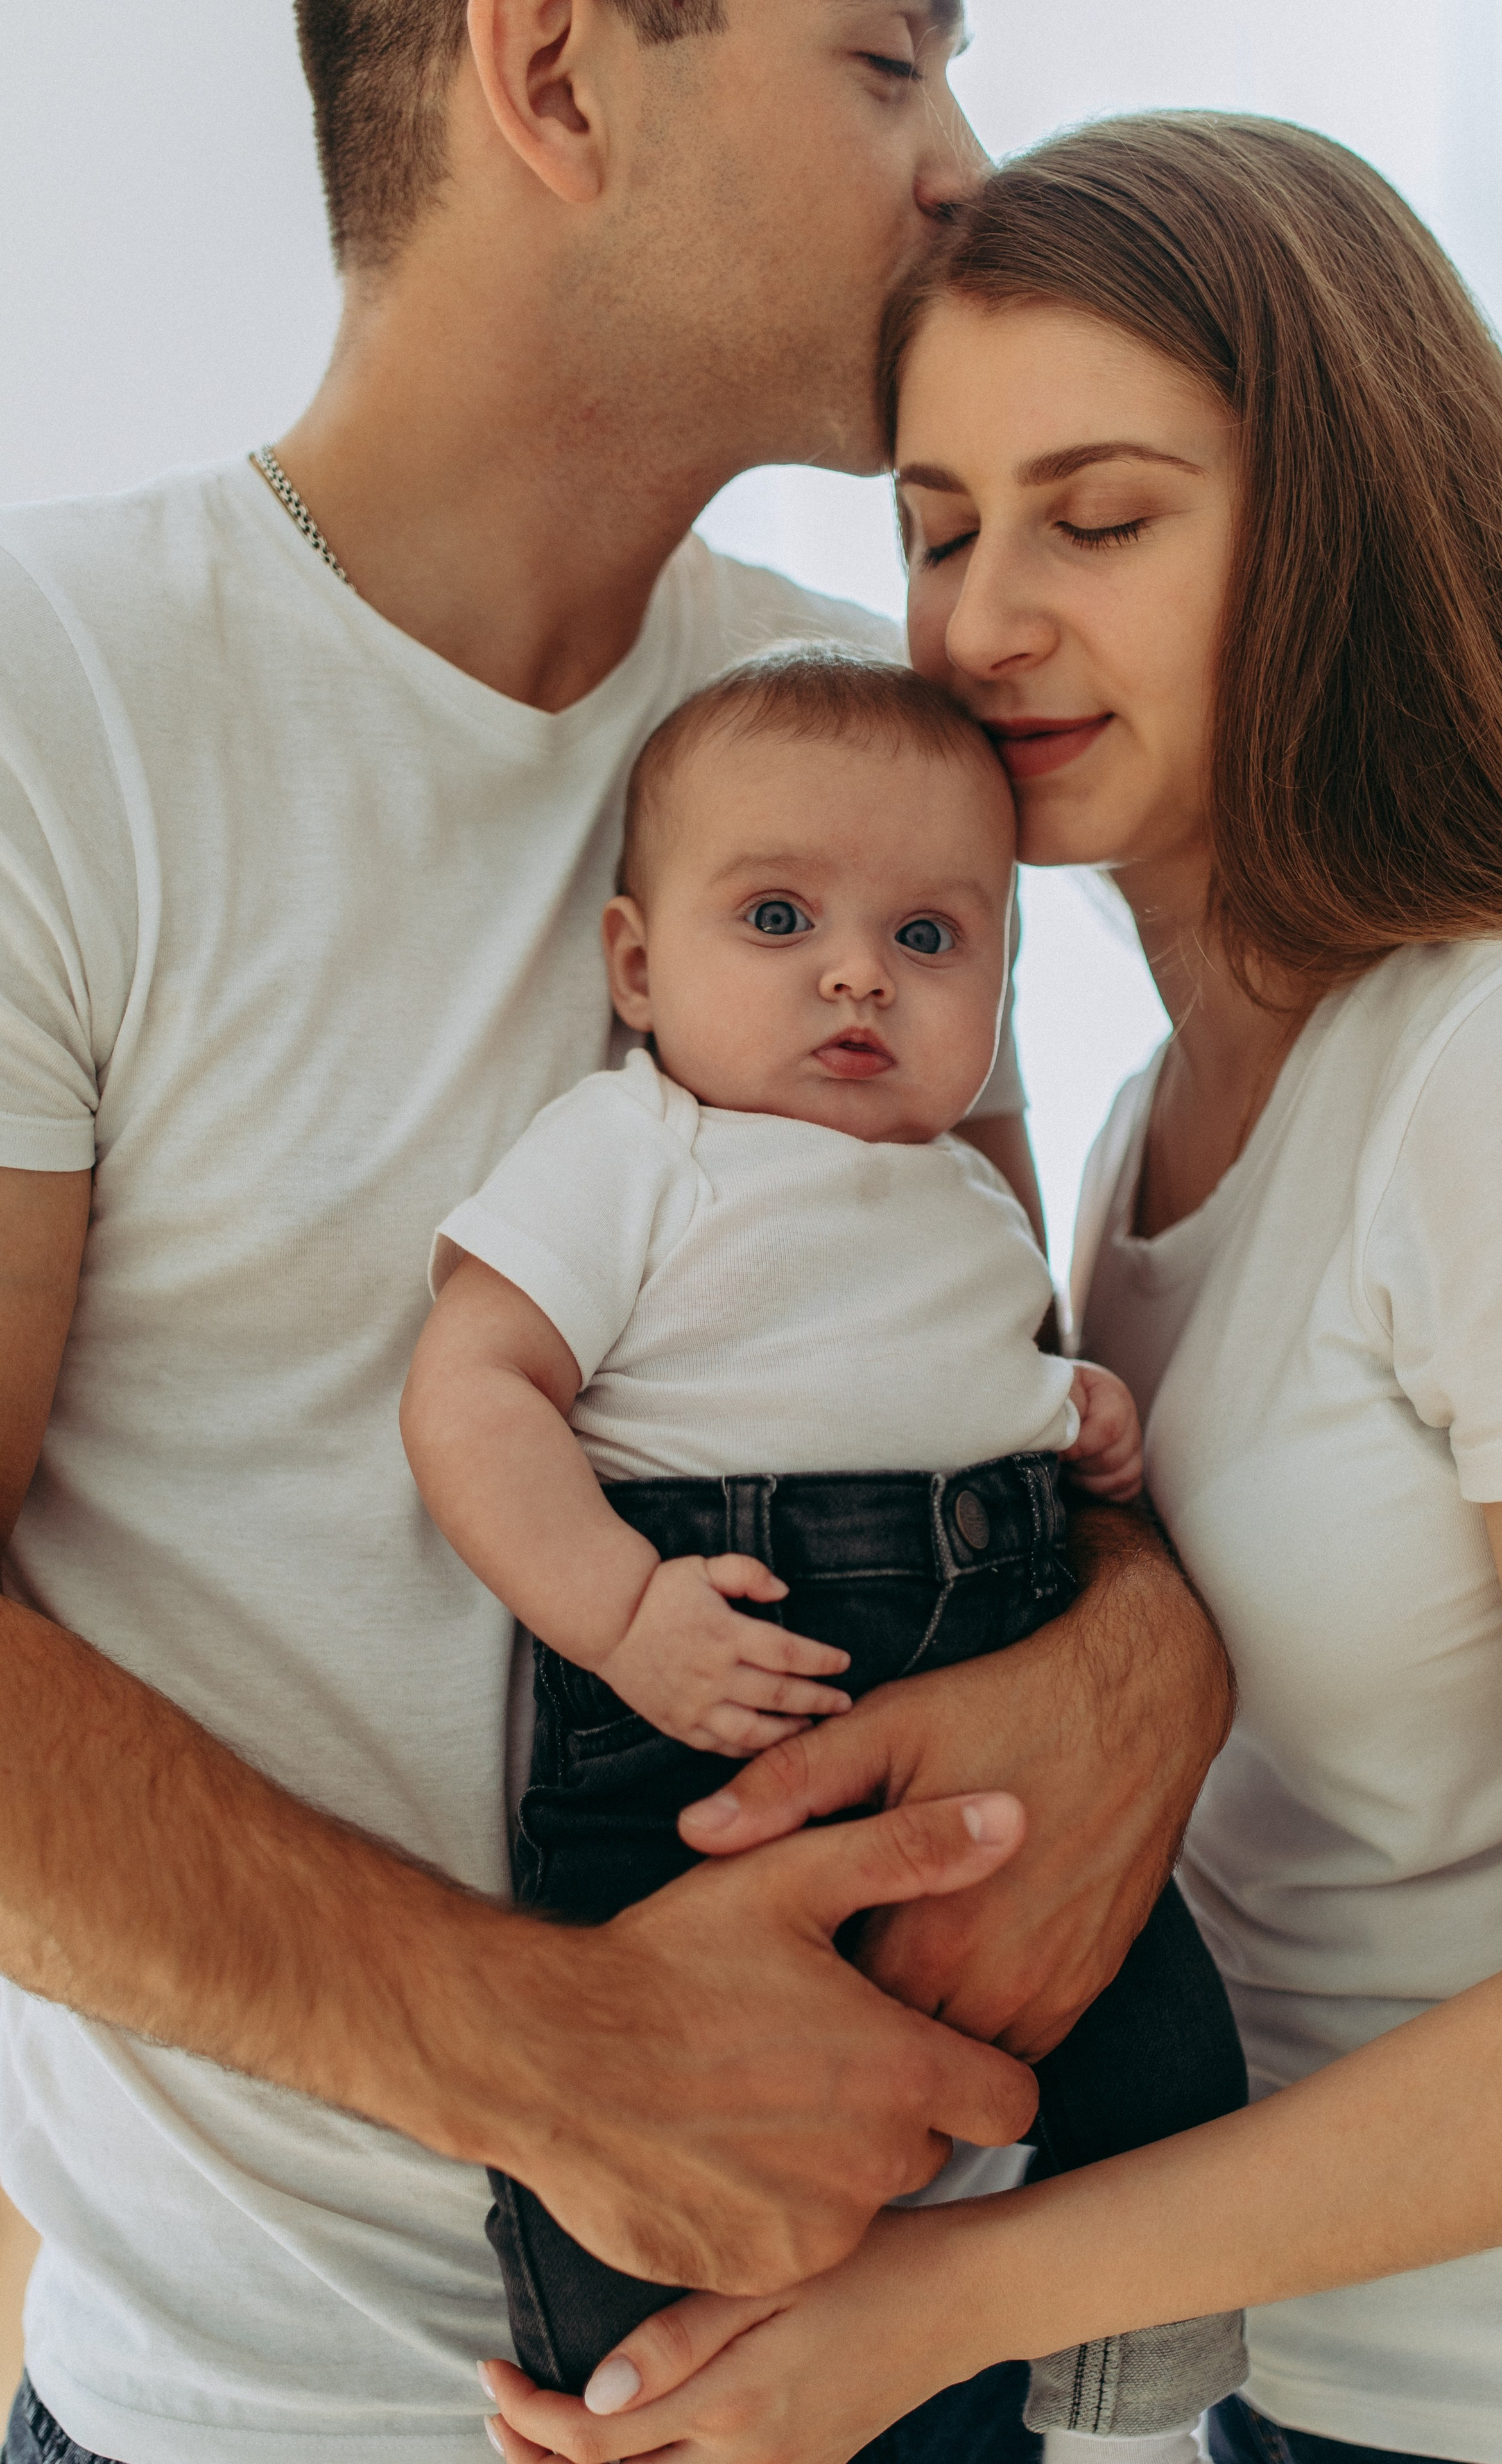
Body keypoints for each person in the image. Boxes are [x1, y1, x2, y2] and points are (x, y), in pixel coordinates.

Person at [0, 13, 1233, 2464]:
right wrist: (569, 2059)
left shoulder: (865, 750)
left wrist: (1146, 1665)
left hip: (907, 2372)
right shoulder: (64, 712)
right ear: (556, 77)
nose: (967, 171)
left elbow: (984, 1370)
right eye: (889, 57)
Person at [477, 111, 1502, 2464]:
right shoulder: (1127, 1142)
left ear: (1342, 525)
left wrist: (925, 2308)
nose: (982, 619)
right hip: (1311, 2396)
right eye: (934, 528)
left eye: (1097, 520)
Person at [401, 646, 1247, 2458]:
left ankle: (1119, 2365)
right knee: (667, 2122)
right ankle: (625, 2375)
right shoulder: (633, 1148)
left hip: (989, 1644)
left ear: (1000, 988)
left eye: (930, 941)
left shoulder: (955, 1186)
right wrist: (621, 1613)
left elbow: (984, 1372)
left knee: (1152, 2014)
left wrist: (1069, 1414)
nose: (858, 971)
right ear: (640, 967)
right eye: (778, 918)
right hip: (703, 1700)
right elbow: (474, 1393)